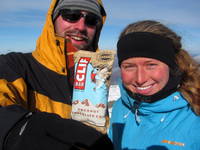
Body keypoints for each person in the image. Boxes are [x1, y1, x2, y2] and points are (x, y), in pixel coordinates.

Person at [0, 0, 113, 149]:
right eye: (71, 15)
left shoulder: (97, 79)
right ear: (52, 20)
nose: (81, 26)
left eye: (91, 20)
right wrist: (18, 129)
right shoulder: (14, 65)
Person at [108, 20, 200, 150]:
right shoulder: (121, 108)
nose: (140, 79)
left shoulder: (195, 114)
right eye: (129, 67)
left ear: (172, 66)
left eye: (151, 65)